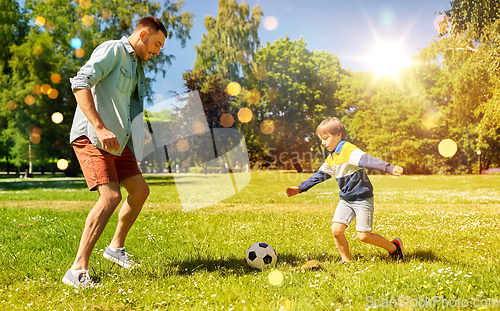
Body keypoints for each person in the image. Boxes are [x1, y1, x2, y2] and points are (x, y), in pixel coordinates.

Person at [62, 16, 167, 288]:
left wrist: (140, 135)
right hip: (93, 136)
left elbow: (129, 107)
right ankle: (77, 269)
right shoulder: (113, 50)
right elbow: (80, 83)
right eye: (156, 44)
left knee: (140, 191)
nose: (157, 52)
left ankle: (115, 249)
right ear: (143, 34)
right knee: (110, 197)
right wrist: (100, 126)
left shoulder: (136, 65)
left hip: (118, 141)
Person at [286, 117, 405, 263]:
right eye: (321, 140)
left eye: (326, 138)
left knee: (364, 236)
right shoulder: (332, 158)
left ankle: (394, 248)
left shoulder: (349, 150)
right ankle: (347, 261)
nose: (323, 142)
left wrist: (389, 168)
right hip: (346, 200)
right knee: (336, 231)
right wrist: (300, 188)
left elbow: (367, 160)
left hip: (362, 199)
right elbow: (319, 176)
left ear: (339, 135)